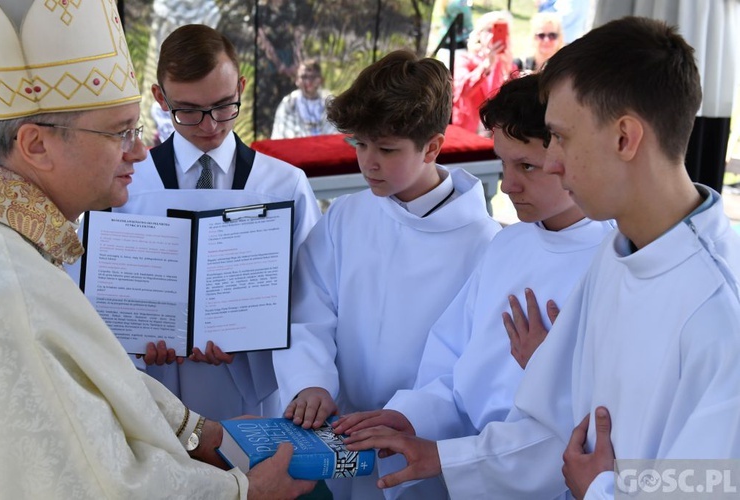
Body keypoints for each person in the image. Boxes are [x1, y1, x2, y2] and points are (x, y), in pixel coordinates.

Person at [344, 16, 740, 499]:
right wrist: (436, 444)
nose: (553, 163)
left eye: (563, 138)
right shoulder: (619, 257)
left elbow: (715, 484)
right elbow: (556, 423)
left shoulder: (720, 309)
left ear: (624, 138)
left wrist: (601, 491)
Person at [0, 1, 314, 498]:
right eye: (121, 132)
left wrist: (197, 430)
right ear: (35, 145)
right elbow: (96, 473)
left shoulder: (27, 248)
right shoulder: (12, 285)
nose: (140, 151)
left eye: (135, 131)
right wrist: (244, 493)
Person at [334, 73, 615, 498]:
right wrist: (412, 417)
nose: (507, 184)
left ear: (573, 156)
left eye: (527, 166)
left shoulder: (610, 265)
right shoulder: (509, 244)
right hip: (469, 470)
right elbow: (452, 363)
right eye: (503, 163)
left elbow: (583, 430)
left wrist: (550, 372)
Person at [272, 49, 502, 499]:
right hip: (337, 427)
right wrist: (311, 381)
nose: (368, 162)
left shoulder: (483, 243)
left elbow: (473, 361)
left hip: (418, 444)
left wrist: (410, 415)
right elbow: (309, 306)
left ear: (433, 147)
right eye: (359, 144)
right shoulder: (346, 215)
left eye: (387, 149)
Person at [123, 23, 322, 422]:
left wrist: (251, 341)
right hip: (151, 388)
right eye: (189, 111)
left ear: (242, 88)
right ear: (160, 98)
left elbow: (311, 297)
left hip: (250, 386)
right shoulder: (128, 183)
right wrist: (135, 344)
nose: (210, 125)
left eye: (223, 106)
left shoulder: (284, 184)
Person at [451, 10, 516, 135]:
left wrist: (506, 71)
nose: (493, 35)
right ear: (479, 34)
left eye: (501, 31)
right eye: (490, 30)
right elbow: (462, 91)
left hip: (495, 135)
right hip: (467, 133)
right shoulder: (465, 59)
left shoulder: (509, 66)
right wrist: (487, 65)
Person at [271, 59, 338, 139]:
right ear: (296, 80)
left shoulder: (330, 103)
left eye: (312, 77)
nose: (308, 81)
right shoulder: (289, 103)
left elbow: (336, 134)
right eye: (304, 77)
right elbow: (281, 136)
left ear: (321, 80)